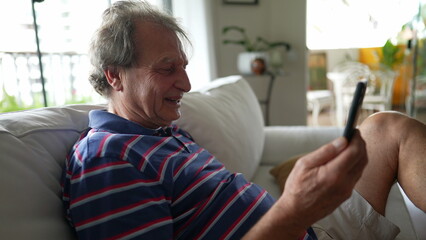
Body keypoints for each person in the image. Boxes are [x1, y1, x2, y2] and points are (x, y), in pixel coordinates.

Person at [61, 1, 426, 239]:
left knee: (385, 128)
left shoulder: (159, 132)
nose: (186, 84)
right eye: (167, 69)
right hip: (295, 226)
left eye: (184, 68)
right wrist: (294, 208)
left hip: (305, 229)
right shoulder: (106, 158)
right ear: (115, 76)